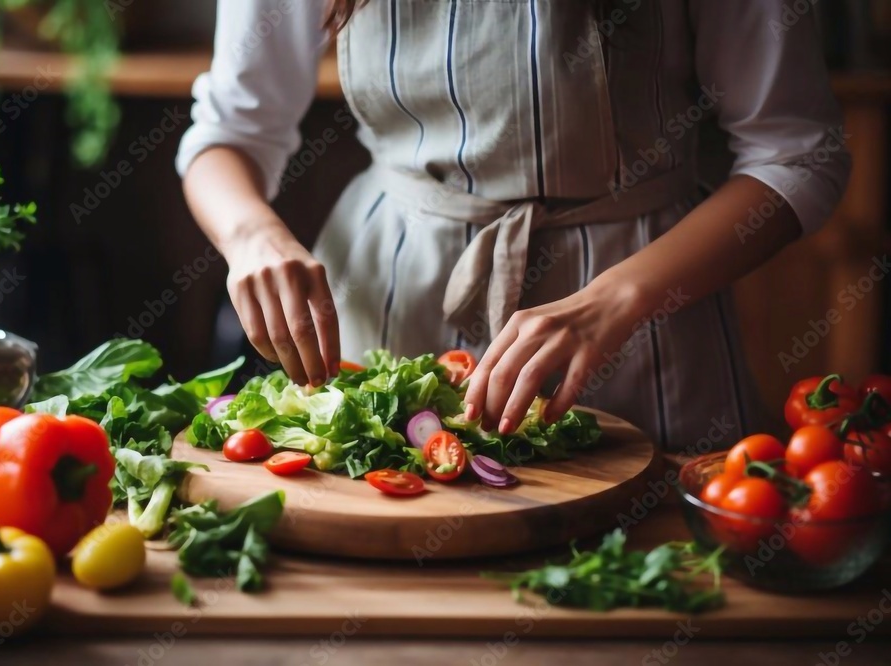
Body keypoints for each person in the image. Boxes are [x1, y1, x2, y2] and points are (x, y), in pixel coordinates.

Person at [177, 0, 850, 450]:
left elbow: (797, 154)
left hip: (645, 329)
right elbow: (230, 131)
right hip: (385, 300)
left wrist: (610, 302)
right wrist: (252, 238)